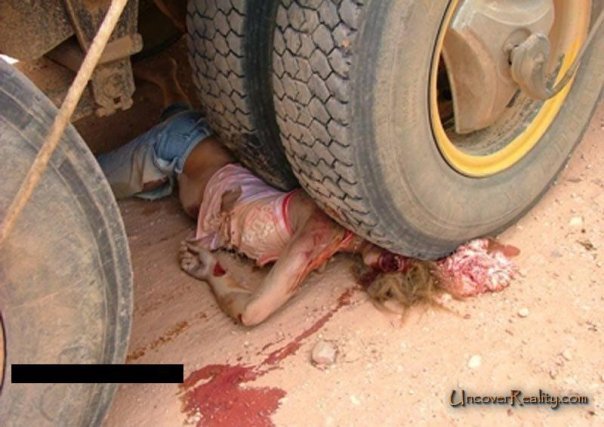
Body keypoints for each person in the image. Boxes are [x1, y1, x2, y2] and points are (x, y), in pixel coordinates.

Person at [98, 58, 518, 326]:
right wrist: (214, 273)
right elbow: (252, 313)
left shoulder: (341, 234)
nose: (381, 265)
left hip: (191, 163)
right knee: (83, 185)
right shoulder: (324, 230)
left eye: (386, 271)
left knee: (175, 122)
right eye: (395, 262)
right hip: (176, 148)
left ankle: (166, 81)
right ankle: (158, 84)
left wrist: (214, 270)